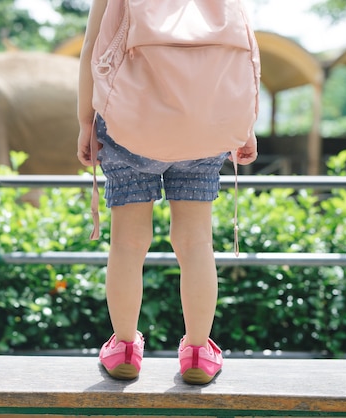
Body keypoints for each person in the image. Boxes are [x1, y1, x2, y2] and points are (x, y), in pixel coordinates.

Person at [76, 0, 258, 384]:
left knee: (127, 242)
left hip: (130, 124)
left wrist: (84, 122)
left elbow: (94, 47)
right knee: (195, 243)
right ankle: (197, 353)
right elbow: (243, 55)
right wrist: (245, 124)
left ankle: (124, 346)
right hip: (206, 128)